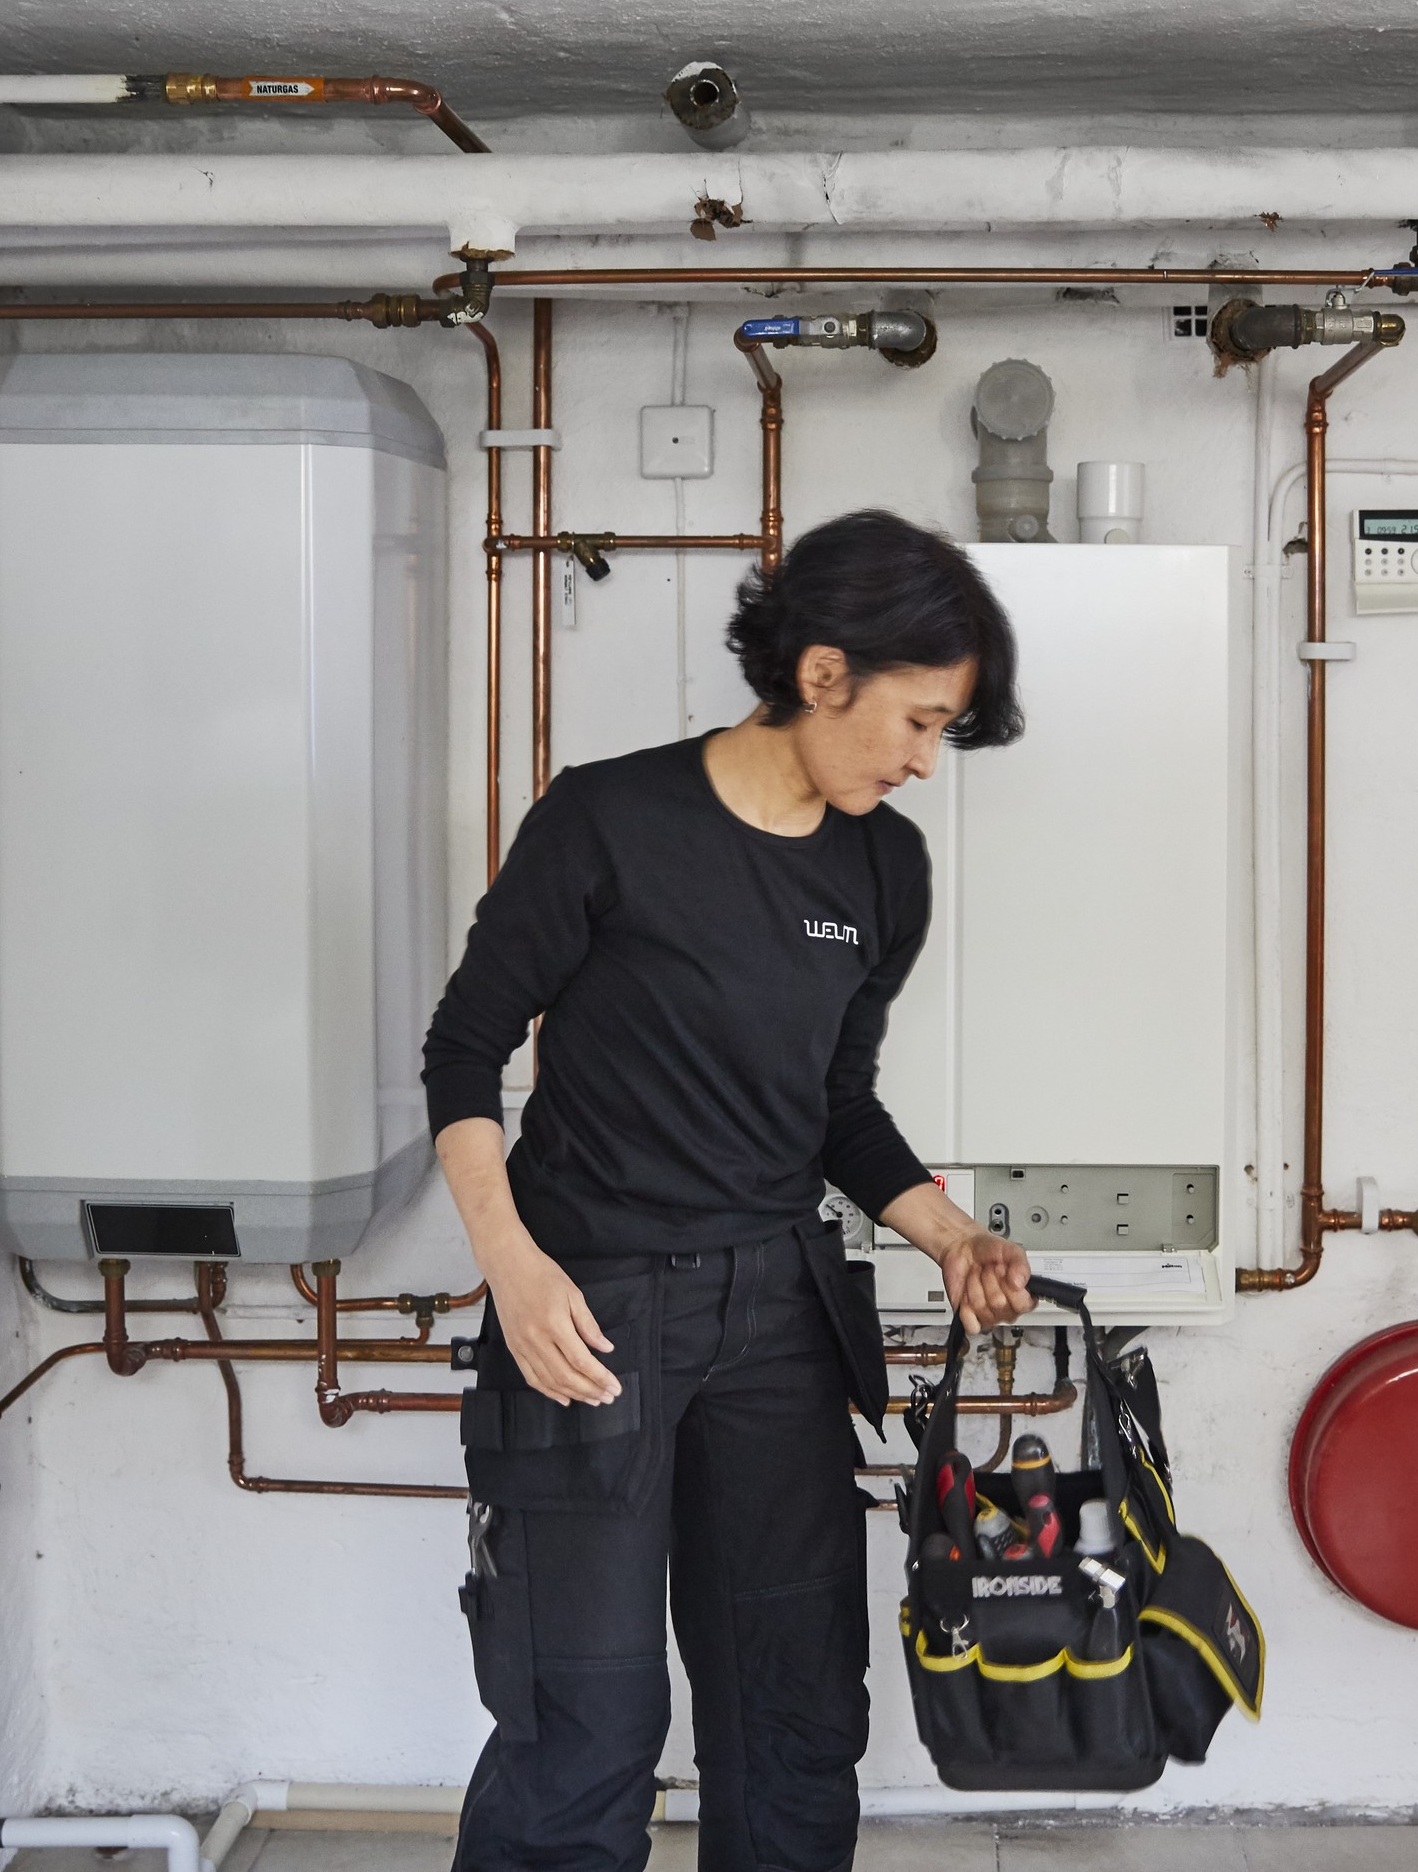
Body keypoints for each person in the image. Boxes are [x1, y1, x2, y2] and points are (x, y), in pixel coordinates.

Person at [424, 508, 1039, 1872]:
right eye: (918, 721)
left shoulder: (883, 867)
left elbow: (835, 1108)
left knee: (793, 1707)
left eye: (944, 731)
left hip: (776, 1314)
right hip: (590, 1307)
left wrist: (948, 1234)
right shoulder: (607, 820)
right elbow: (462, 1052)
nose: (925, 760)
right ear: (823, 674)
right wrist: (512, 1268)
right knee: (582, 1722)